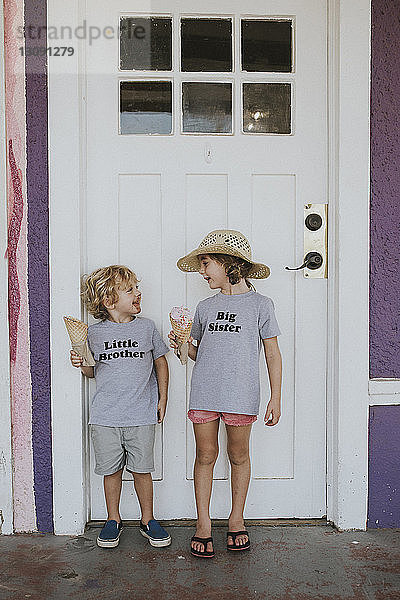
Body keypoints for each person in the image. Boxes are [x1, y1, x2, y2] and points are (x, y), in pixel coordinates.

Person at [169, 230, 282, 558]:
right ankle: (203, 522)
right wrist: (182, 343)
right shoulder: (204, 307)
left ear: (229, 263)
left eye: (206, 264)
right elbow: (197, 353)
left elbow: (272, 354)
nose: (202, 271)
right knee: (205, 455)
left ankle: (236, 519)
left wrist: (276, 396)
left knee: (238, 456)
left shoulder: (261, 305)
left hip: (241, 394)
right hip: (204, 392)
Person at [70, 265, 171, 549]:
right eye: (130, 290)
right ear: (109, 300)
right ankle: (113, 518)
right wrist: (81, 362)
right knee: (111, 471)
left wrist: (163, 399)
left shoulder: (147, 327)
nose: (138, 293)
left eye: (136, 288)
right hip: (105, 417)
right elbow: (93, 372)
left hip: (140, 414)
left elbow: (160, 363)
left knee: (142, 470)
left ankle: (147, 519)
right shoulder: (94, 333)